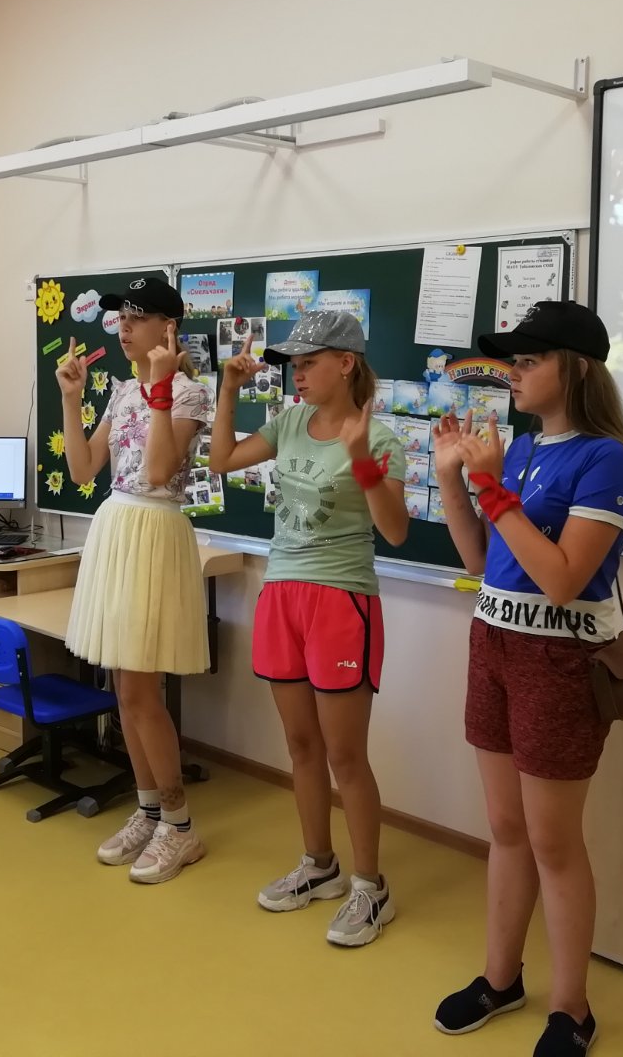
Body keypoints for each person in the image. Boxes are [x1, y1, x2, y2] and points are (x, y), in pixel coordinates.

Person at [429, 301, 623, 1056]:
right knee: (505, 828)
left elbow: (561, 579)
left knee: (553, 842)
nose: (513, 375)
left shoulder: (606, 460)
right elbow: (478, 558)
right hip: (493, 642)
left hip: (558, 661)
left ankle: (572, 1009)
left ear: (576, 368)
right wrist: (454, 481)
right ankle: (501, 978)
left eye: (528, 361)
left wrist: (492, 489)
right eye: (512, 363)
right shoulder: (519, 449)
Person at [209, 309, 409, 947]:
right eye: (292, 365)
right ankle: (319, 865)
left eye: (308, 363)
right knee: (300, 745)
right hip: (282, 593)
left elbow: (396, 531)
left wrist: (362, 459)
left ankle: (370, 887)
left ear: (345, 363)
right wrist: (229, 390)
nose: (296, 374)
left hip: (342, 600)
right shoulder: (291, 421)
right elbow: (220, 460)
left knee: (346, 755)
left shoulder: (380, 439)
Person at [56, 276, 212, 885]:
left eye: (137, 317)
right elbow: (83, 469)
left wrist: (163, 389)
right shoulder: (122, 392)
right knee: (125, 690)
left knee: (145, 692)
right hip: (116, 527)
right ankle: (149, 811)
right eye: (120, 317)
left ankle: (180, 825)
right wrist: (72, 398)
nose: (124, 326)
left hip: (155, 530)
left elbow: (159, 469)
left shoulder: (190, 394)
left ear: (168, 327)